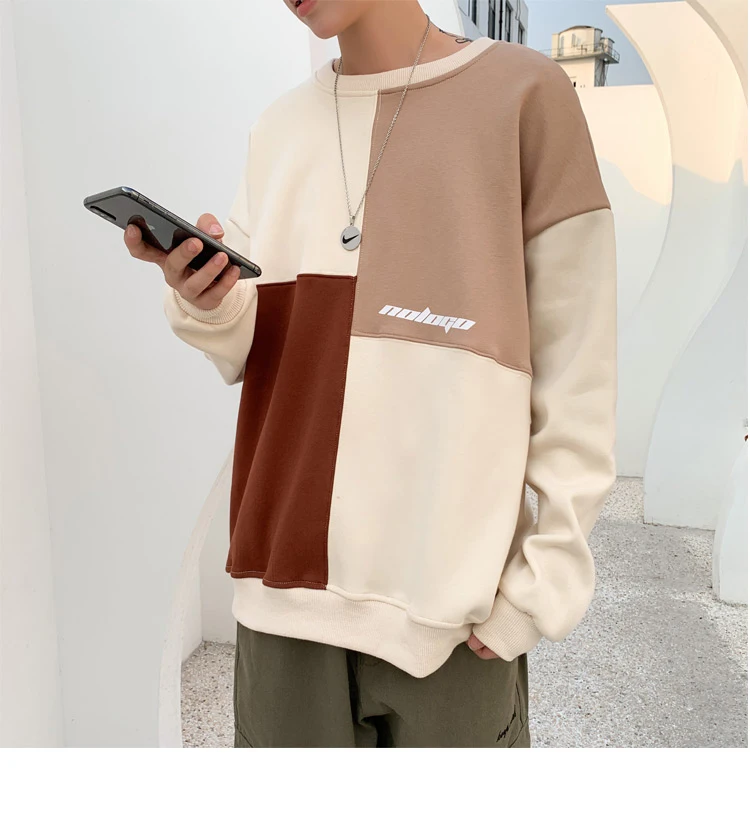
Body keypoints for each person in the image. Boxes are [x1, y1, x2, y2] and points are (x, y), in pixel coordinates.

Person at [124, 0, 617, 748]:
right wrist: (208, 299)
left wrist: (545, 577)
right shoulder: (280, 127)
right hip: (282, 592)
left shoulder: (524, 95)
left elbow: (577, 365)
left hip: (452, 611)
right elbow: (256, 343)